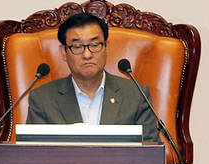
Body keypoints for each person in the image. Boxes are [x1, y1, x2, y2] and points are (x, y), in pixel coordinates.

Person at [26, 13, 160, 143]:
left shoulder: (136, 95)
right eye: (77, 46)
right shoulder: (42, 99)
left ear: (106, 47)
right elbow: (33, 153)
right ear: (63, 52)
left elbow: (150, 152)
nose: (87, 55)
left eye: (95, 45)